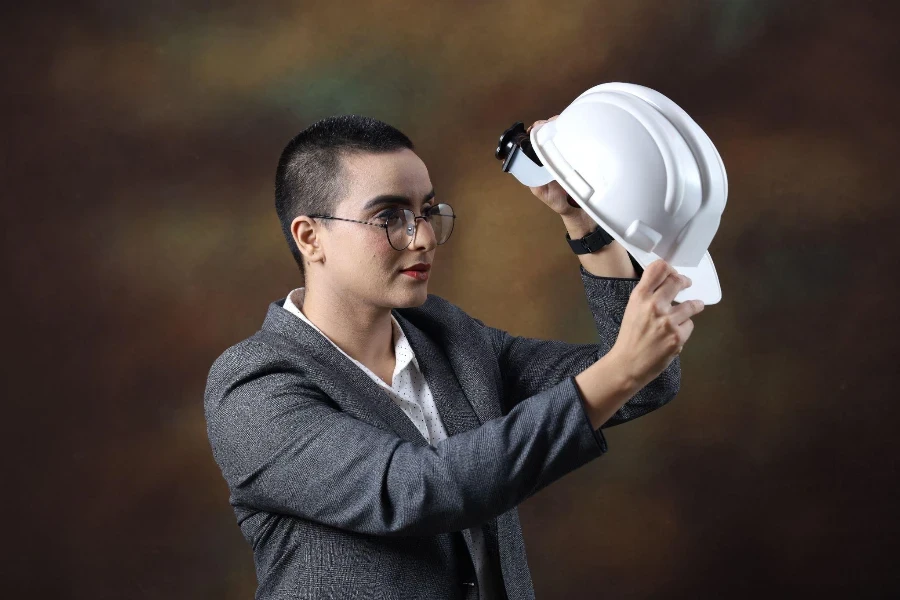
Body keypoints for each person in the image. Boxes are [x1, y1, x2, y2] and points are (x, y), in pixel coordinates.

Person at [203, 115, 703, 600]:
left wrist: (582, 220)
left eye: (427, 212)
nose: (422, 238)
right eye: (389, 218)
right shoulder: (253, 386)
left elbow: (641, 386)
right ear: (310, 237)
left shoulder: (450, 338)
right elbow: (420, 489)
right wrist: (620, 372)